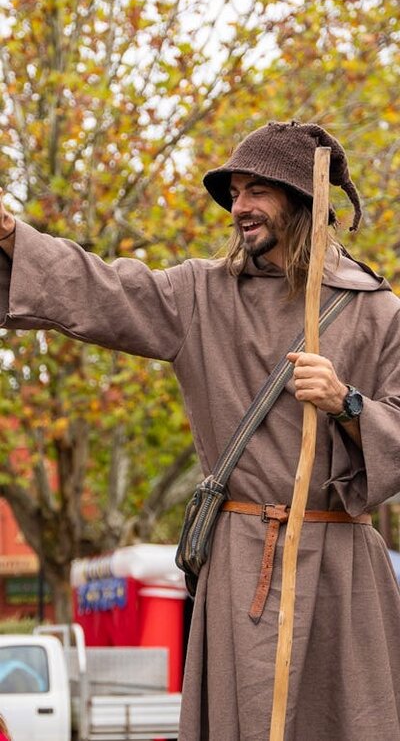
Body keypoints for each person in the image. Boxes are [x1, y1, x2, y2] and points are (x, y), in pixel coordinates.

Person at [0, 120, 400, 741]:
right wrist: (14, 240)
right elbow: (103, 290)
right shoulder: (200, 294)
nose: (238, 207)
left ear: (302, 199)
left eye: (255, 191)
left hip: (340, 572)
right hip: (243, 565)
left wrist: (347, 404)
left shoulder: (377, 310)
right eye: (234, 192)